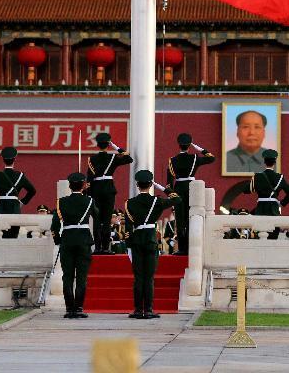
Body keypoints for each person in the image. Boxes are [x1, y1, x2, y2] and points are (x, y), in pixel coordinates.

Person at [125, 170, 182, 319]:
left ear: (137, 185)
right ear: (150, 185)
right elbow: (177, 199)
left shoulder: (129, 203)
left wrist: (129, 244)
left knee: (138, 277)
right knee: (149, 277)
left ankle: (138, 310)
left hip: (137, 240)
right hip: (150, 239)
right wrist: (162, 187)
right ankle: (148, 310)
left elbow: (127, 228)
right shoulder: (157, 202)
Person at [51, 172, 98, 319]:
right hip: (84, 240)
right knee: (82, 277)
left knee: (68, 276)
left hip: (67, 240)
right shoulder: (89, 201)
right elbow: (98, 216)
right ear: (84, 185)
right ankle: (78, 308)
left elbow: (54, 225)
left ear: (70, 186)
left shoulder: (61, 202)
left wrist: (58, 240)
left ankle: (69, 309)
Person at [167, 132, 215, 255]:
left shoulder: (172, 160)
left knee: (180, 219)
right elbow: (211, 158)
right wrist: (199, 148)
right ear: (189, 146)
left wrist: (172, 196)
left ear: (179, 145)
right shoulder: (194, 158)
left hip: (178, 190)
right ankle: (192, 247)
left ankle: (182, 249)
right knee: (192, 218)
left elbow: (169, 184)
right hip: (192, 189)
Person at [86, 132, 133, 254]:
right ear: (108, 144)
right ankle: (106, 247)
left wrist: (88, 194)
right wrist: (115, 146)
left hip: (96, 191)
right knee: (106, 220)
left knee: (97, 220)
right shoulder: (113, 158)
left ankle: (97, 248)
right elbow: (129, 158)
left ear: (97, 144)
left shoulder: (92, 159)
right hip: (109, 191)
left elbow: (89, 178)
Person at [0, 147, 36, 238]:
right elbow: (32, 191)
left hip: (2, 207)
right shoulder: (20, 175)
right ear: (14, 159)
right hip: (15, 207)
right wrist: (22, 202)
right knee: (13, 236)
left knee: (2, 235)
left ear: (3, 160)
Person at [242, 149, 289, 239]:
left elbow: (246, 190)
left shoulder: (258, 176)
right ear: (274, 162)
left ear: (264, 162)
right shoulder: (280, 177)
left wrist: (258, 187)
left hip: (260, 209)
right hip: (274, 210)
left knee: (259, 237)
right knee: (273, 237)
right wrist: (282, 203)